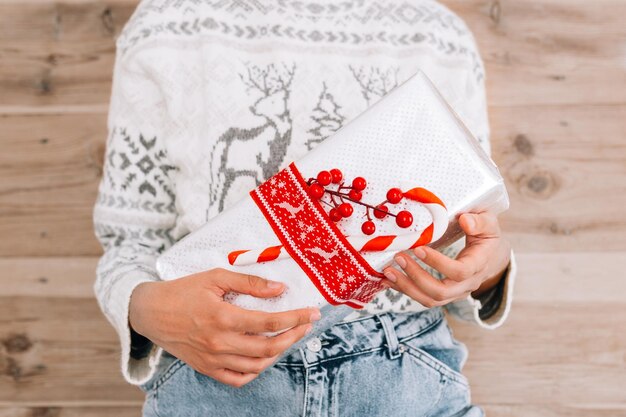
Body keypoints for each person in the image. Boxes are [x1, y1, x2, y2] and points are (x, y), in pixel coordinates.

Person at [93, 1, 516, 416]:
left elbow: (470, 224)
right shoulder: (167, 25)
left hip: (402, 377)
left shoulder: (439, 37)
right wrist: (152, 311)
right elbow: (130, 244)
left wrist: (484, 269)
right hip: (217, 372)